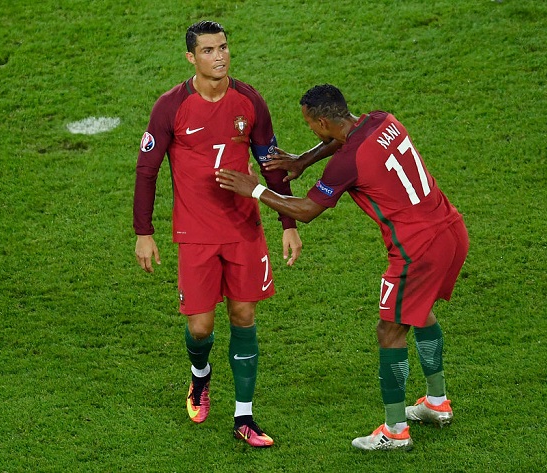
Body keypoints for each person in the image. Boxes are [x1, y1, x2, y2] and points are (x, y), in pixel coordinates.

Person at [216, 84, 469, 451]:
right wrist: (304, 159)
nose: (311, 132)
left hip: (418, 249)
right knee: (419, 312)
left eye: (310, 126)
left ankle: (395, 431)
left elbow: (305, 211)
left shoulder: (348, 163)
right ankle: (436, 403)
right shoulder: (381, 120)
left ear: (321, 121)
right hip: (450, 229)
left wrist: (254, 190)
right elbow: (343, 141)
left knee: (389, 332)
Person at [133, 20, 303, 448]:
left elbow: (271, 163)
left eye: (223, 47)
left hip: (244, 230)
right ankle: (200, 377)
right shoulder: (170, 107)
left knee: (244, 316)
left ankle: (244, 416)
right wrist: (144, 232)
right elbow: (147, 170)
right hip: (195, 234)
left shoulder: (249, 101)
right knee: (200, 327)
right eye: (208, 50)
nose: (219, 56)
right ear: (191, 57)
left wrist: (287, 223)